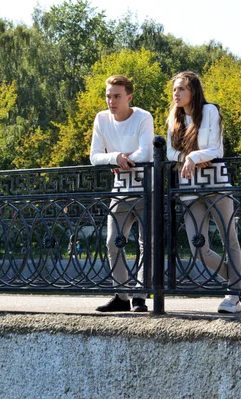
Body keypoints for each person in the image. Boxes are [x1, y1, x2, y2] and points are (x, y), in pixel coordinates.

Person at [166, 71, 241, 313]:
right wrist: (186, 157)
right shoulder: (174, 118)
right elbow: (169, 153)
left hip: (216, 184)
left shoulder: (210, 111)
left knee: (229, 238)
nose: (176, 93)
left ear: (193, 91)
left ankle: (233, 295)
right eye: (174, 89)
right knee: (198, 246)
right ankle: (239, 280)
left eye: (181, 89)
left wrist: (194, 156)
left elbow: (215, 148)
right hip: (190, 187)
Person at [90, 75, 154, 312]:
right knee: (112, 242)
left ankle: (140, 296)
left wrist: (124, 158)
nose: (111, 101)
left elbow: (146, 153)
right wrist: (114, 157)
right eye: (108, 96)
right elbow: (95, 156)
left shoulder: (143, 117)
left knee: (147, 243)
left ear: (129, 97)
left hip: (147, 188)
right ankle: (122, 295)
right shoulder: (101, 119)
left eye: (116, 96)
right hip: (120, 189)